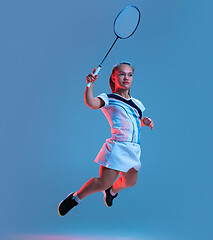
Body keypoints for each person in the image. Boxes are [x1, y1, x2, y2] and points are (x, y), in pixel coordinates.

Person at [58, 62, 154, 216]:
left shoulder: (138, 104)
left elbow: (132, 124)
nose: (126, 77)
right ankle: (75, 198)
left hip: (134, 149)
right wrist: (89, 85)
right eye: (122, 74)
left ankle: (112, 192)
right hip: (118, 147)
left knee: (130, 182)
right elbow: (92, 103)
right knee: (103, 183)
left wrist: (144, 122)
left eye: (130, 74)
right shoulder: (109, 98)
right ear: (114, 78)